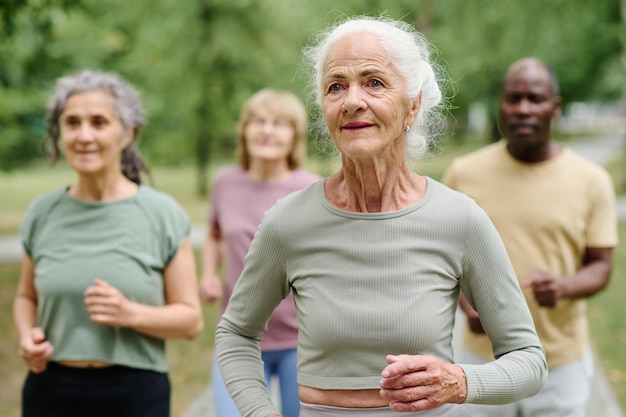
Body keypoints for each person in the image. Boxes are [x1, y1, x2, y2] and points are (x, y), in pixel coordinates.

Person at [215, 16, 547, 417]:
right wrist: (259, 411)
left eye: (374, 82)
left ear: (413, 104)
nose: (352, 100)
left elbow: (529, 360)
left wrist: (460, 382)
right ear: (324, 108)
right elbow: (236, 332)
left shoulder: (459, 219)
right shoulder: (288, 222)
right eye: (336, 86)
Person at [13, 69, 204, 417]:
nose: (84, 135)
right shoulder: (42, 212)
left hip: (134, 392)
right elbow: (26, 296)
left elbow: (191, 321)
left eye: (99, 122)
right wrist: (28, 338)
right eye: (72, 123)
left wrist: (130, 313)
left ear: (127, 132)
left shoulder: (162, 214)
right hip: (49, 390)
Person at [443, 57, 618, 417]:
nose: (523, 108)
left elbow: (601, 266)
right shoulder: (463, 174)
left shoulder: (591, 180)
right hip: (483, 361)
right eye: (513, 98)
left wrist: (564, 287)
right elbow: (443, 258)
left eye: (535, 99)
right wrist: (466, 303)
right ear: (501, 105)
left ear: (556, 107)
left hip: (560, 361)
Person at [200, 88, 320, 417]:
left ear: (294, 136)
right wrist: (209, 274)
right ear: (244, 130)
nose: (267, 130)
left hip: (302, 340)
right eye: (258, 121)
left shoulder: (311, 190)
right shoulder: (225, 182)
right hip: (239, 337)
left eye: (279, 123)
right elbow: (213, 234)